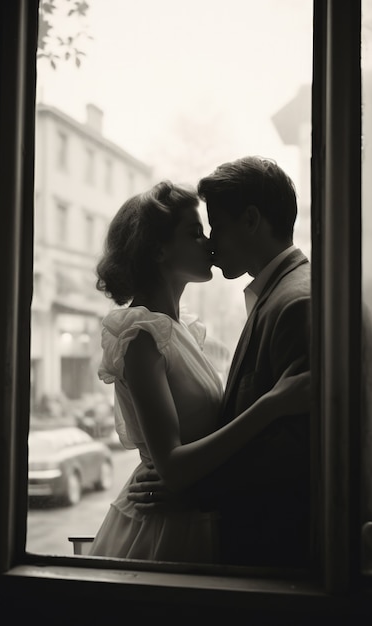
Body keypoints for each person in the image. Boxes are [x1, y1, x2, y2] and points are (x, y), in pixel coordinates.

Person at [87, 179, 310, 564]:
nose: (209, 243)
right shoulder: (141, 336)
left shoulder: (181, 329)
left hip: (192, 514)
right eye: (194, 233)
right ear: (159, 250)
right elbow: (172, 468)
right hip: (163, 529)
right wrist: (273, 404)